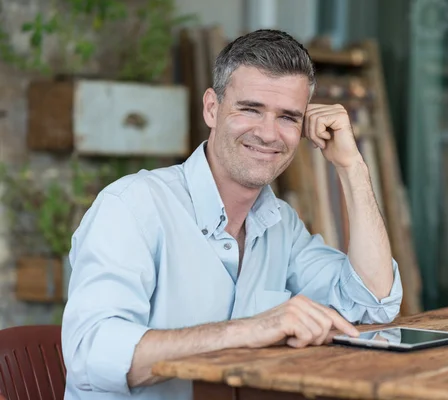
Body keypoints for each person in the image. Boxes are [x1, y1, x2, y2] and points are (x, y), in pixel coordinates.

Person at [61, 29, 403, 400]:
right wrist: (247, 330)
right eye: (250, 109)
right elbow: (90, 355)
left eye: (288, 118)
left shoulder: (280, 225)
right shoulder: (131, 207)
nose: (269, 134)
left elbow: (373, 304)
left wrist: (351, 167)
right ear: (212, 108)